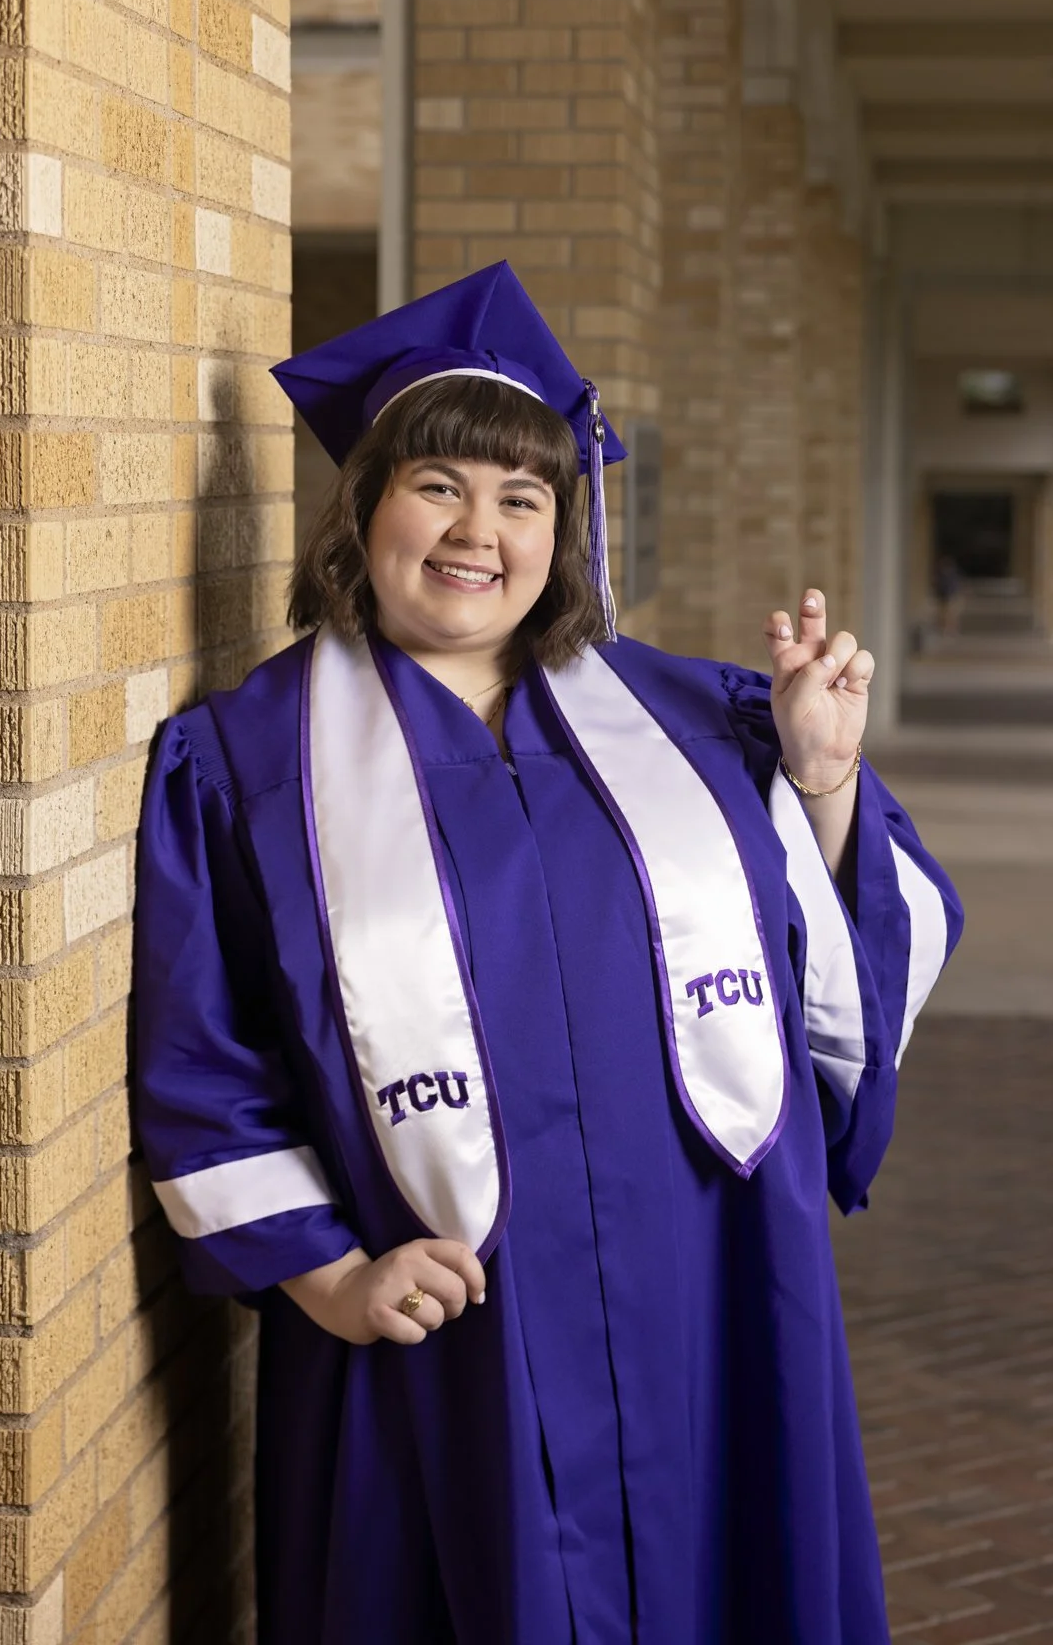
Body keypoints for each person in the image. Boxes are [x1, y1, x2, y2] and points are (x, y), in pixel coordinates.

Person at [132, 261, 961, 1644]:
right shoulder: (244, 764)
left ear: (562, 533)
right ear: (367, 507)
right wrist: (332, 1275)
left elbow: (857, 970)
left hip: (705, 1290)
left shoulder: (699, 724)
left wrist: (821, 785)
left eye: (523, 498)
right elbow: (199, 1060)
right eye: (438, 485)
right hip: (447, 1333)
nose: (479, 530)